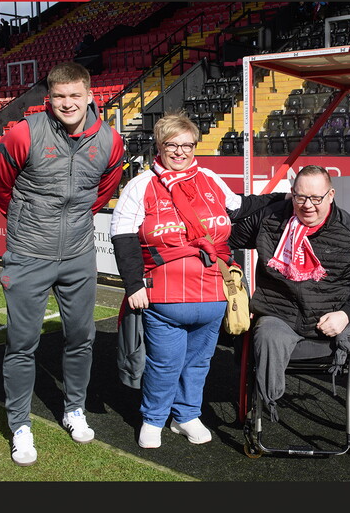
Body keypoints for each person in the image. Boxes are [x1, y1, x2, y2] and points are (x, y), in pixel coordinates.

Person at [109, 111, 284, 449]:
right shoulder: (140, 185)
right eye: (172, 145)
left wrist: (282, 198)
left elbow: (240, 206)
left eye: (187, 145)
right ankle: (153, 418)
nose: (180, 152)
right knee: (164, 364)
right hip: (164, 296)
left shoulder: (209, 178)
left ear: (194, 146)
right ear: (159, 146)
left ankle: (186, 415)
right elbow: (123, 236)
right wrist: (133, 285)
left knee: (199, 363)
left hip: (213, 293)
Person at [0, 61, 125, 466]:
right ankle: (20, 425)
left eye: (75, 95)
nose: (68, 103)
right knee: (21, 344)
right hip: (29, 253)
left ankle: (74, 409)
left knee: (81, 337)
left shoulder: (110, 140)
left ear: (90, 96)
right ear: (49, 98)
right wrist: (29, 223)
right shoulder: (24, 133)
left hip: (79, 254)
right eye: (60, 96)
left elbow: (102, 191)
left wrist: (73, 224)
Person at [227, 165, 350, 422]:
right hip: (279, 315)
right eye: (300, 197)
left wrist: (345, 314)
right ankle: (267, 401)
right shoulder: (270, 220)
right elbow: (224, 237)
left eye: (316, 198)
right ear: (292, 194)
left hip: (331, 317)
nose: (308, 205)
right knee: (264, 334)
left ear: (331, 195)